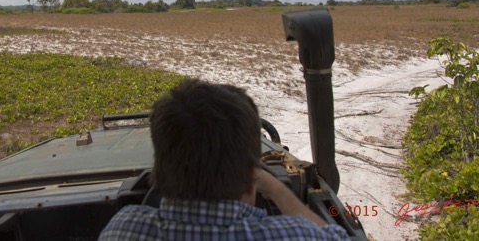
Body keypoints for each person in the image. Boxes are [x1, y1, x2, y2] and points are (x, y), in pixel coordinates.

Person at [99, 79, 350, 240]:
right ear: (250, 171)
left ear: (160, 166)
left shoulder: (124, 228)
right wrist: (274, 188)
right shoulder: (292, 234)